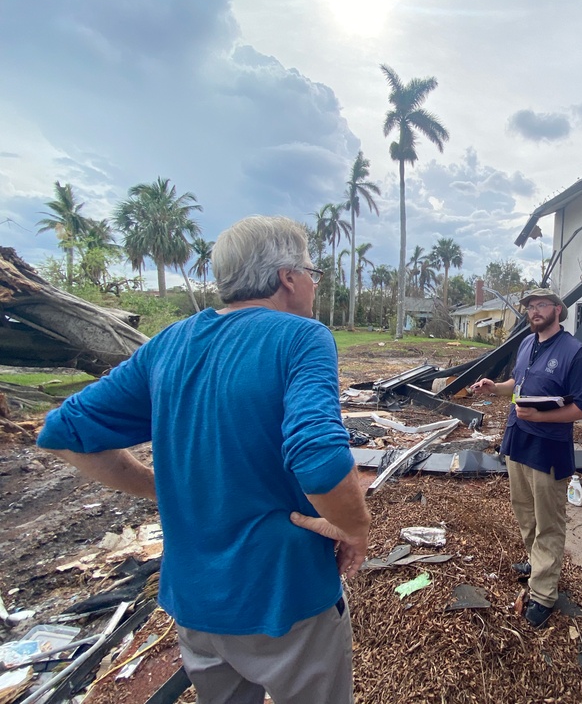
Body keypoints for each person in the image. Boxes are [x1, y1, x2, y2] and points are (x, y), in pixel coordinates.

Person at [37, 215, 370, 703]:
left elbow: (63, 431)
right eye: (311, 273)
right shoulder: (302, 338)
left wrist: (160, 485)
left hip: (195, 604)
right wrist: (355, 527)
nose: (313, 286)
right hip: (284, 593)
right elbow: (318, 458)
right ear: (288, 278)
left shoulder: (168, 344)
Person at [469, 287, 582, 628]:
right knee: (525, 513)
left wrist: (540, 418)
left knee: (549, 521)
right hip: (518, 441)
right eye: (530, 306)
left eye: (541, 305)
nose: (534, 311)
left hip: (549, 448)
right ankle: (537, 562)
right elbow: (518, 382)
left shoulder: (575, 352)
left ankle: (542, 593)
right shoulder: (527, 344)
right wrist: (495, 388)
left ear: (558, 309)